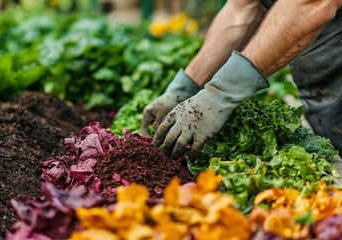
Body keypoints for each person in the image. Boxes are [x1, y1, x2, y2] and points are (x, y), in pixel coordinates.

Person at [141, 0, 342, 160]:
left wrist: (221, 93)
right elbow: (243, 9)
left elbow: (314, 3)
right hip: (322, 88)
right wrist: (186, 86)